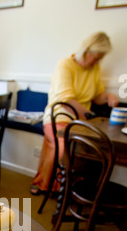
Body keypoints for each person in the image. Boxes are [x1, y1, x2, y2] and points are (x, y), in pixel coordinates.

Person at [31, 32, 119, 195]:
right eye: (96, 57)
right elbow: (66, 99)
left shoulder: (95, 69)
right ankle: (47, 185)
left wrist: (108, 97)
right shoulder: (65, 65)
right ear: (87, 51)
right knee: (65, 147)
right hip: (58, 117)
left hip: (80, 120)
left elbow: (97, 96)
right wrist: (87, 114)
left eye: (100, 58)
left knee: (92, 148)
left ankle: (71, 186)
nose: (98, 61)